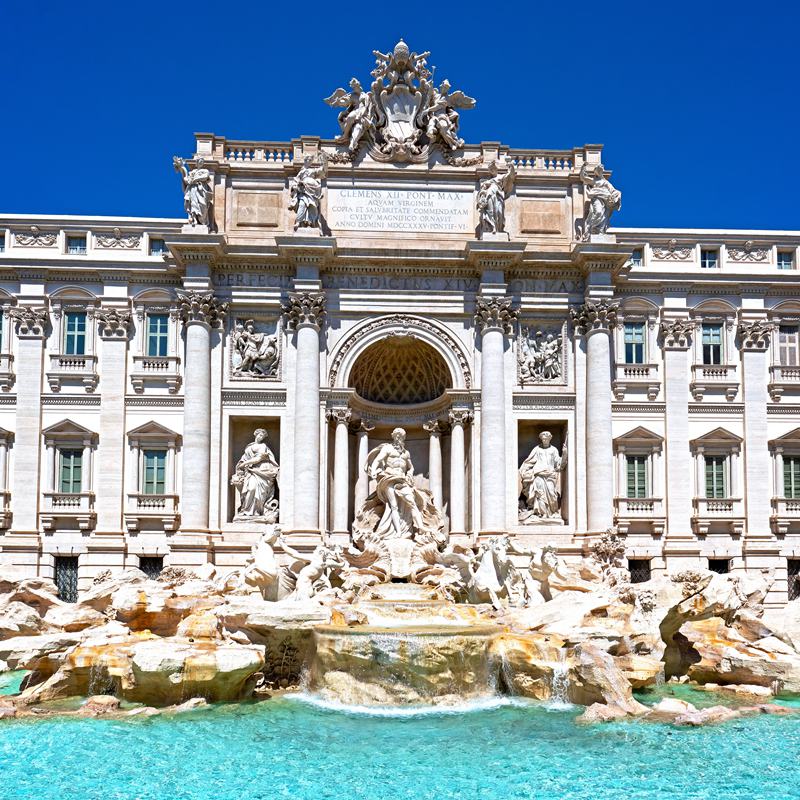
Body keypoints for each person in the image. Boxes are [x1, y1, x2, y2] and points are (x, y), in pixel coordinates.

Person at [232, 429, 279, 518]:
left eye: (263, 436)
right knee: (251, 488)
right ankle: (246, 511)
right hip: (250, 472)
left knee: (258, 492)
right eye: (260, 435)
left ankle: (257, 512)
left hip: (261, 471)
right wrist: (241, 465)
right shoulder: (249, 446)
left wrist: (245, 463)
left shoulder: (263, 446)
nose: (261, 437)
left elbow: (258, 459)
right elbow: (244, 458)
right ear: (256, 435)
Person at [519, 431, 566, 520]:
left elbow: (559, 465)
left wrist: (564, 454)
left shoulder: (554, 450)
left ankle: (552, 513)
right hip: (538, 474)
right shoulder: (537, 449)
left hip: (550, 475)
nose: (544, 440)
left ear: (550, 439)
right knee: (540, 494)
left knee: (552, 494)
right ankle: (542, 514)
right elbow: (529, 461)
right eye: (543, 439)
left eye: (546, 439)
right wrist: (524, 470)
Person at [173, 156, 213, 227]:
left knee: (202, 204)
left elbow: (205, 176)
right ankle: (194, 219)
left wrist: (195, 179)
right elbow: (187, 180)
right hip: (193, 189)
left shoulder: (205, 171)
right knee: (193, 204)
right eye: (199, 161)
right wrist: (182, 169)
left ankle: (201, 220)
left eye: (202, 161)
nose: (201, 162)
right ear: (197, 163)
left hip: (201, 191)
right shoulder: (192, 172)